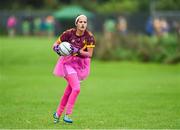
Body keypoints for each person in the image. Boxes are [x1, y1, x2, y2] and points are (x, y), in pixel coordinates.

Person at [52, 14, 95, 124]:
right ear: (76, 23)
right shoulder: (68, 33)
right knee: (76, 88)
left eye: (85, 22)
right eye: (80, 22)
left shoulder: (89, 37)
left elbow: (89, 54)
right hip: (67, 63)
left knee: (69, 90)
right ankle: (67, 115)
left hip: (80, 65)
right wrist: (57, 49)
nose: (83, 24)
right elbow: (54, 45)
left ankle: (57, 114)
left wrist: (77, 51)